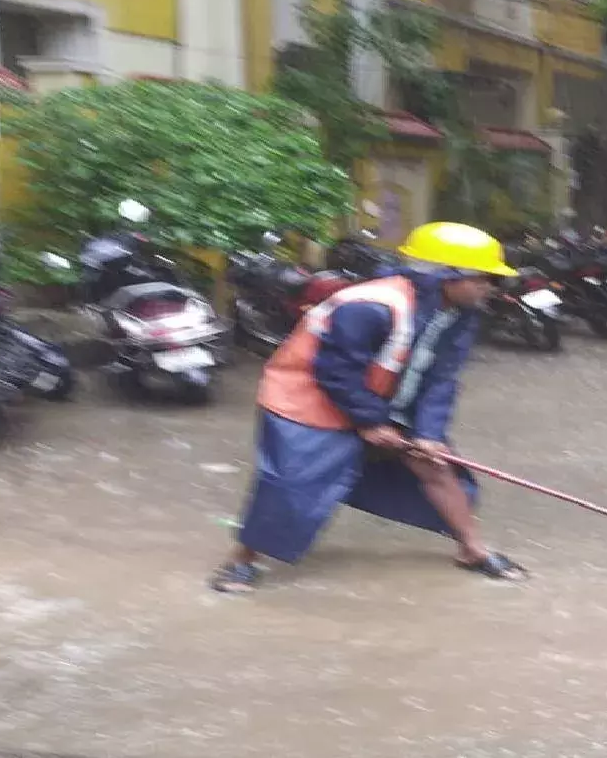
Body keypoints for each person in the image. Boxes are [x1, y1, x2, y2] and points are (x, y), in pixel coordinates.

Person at [210, 222, 528, 593]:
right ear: (447, 275)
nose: (489, 287)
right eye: (483, 278)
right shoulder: (370, 305)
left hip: (386, 396)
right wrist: (370, 423)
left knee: (438, 468)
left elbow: (441, 379)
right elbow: (336, 371)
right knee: (290, 483)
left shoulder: (461, 314)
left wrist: (428, 434)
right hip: (311, 397)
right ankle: (242, 561)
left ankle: (472, 549)